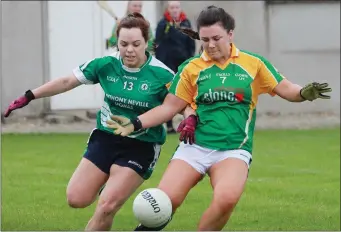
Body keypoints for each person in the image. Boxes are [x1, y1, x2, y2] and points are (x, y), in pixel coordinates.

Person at [105, 6, 332, 231]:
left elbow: (287, 89)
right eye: (205, 39)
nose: (211, 45)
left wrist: (303, 94)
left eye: (216, 38)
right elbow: (169, 107)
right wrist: (135, 123)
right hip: (194, 147)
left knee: (226, 199)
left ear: (230, 34)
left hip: (233, 149)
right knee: (162, 204)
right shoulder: (191, 68)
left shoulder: (254, 64)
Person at [3, 13, 193, 231]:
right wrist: (29, 96)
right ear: (117, 43)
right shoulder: (105, 65)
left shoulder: (162, 74)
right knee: (76, 198)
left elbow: (180, 103)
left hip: (141, 146)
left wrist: (189, 119)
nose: (129, 50)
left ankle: (112, 191)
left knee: (106, 206)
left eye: (135, 44)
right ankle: (108, 184)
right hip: (106, 138)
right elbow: (67, 81)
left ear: (148, 43)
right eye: (123, 44)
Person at [154, 1, 196, 133]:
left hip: (183, 62)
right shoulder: (163, 24)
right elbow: (158, 43)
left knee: (186, 92)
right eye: (172, 8)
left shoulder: (186, 23)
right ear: (168, 9)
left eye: (177, 7)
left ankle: (188, 120)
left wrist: (191, 59)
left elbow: (191, 42)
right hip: (167, 63)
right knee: (169, 92)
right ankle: (169, 124)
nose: (175, 10)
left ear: (180, 9)